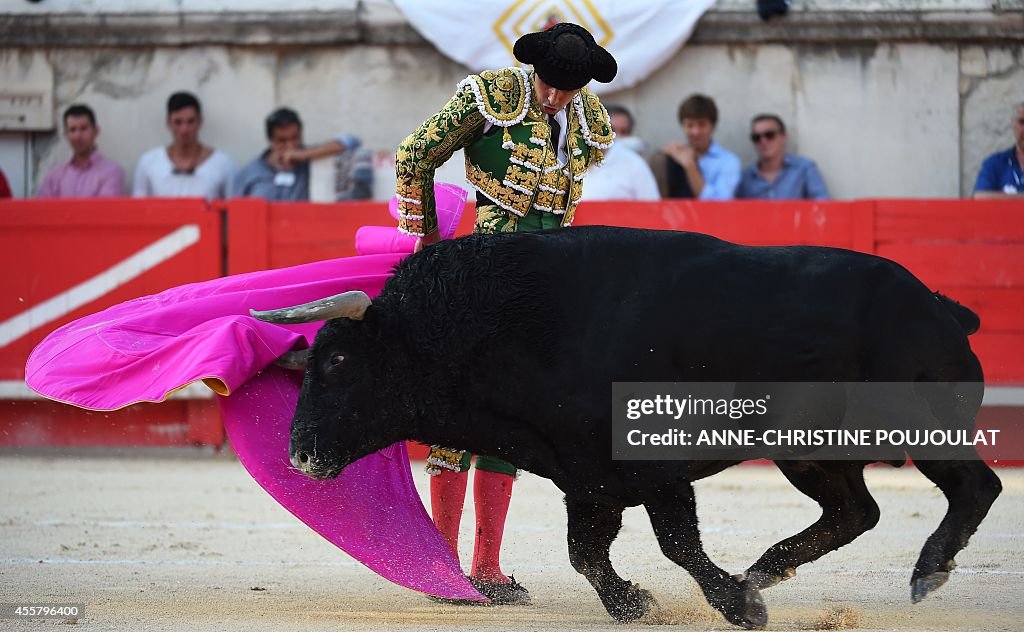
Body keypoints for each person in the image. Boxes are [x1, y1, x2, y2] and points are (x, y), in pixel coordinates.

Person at [394, 21, 617, 604]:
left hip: (545, 289)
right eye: (549, 83)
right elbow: (417, 153)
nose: (555, 97)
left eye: (568, 88)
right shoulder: (490, 97)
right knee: (457, 417)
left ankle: (487, 567)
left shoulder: (588, 118)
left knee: (510, 423)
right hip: (482, 277)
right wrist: (429, 241)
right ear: (534, 69)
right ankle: (443, 563)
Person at [230, 107, 363, 201]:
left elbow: (351, 142)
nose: (290, 145)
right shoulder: (249, 173)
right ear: (270, 141)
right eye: (282, 141)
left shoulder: (311, 157)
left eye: (295, 138)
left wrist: (303, 155)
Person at [132, 92, 236, 199]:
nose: (184, 129)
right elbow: (138, 210)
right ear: (168, 123)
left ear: (200, 122)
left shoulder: (223, 164)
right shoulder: (149, 162)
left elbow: (232, 210)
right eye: (178, 122)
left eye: (190, 121)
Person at [650, 93, 740, 200]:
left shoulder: (728, 161)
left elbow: (718, 204)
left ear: (712, 126)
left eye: (702, 125)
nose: (696, 132)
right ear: (682, 126)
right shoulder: (674, 156)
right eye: (690, 125)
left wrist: (690, 166)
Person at [37, 104, 125, 198]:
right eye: (72, 130)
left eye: (83, 129)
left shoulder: (111, 172)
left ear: (95, 132)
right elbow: (43, 211)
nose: (78, 136)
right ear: (66, 135)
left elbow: (105, 211)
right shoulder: (54, 176)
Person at [735, 114, 829, 200]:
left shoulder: (804, 169)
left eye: (769, 135)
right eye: (756, 137)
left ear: (784, 137)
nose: (763, 141)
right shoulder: (745, 178)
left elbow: (823, 207)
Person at [582, 105, 659, 200]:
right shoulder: (563, 159)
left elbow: (652, 208)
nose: (616, 136)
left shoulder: (634, 164)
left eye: (624, 131)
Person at [973, 102, 1024, 198]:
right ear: (1013, 125)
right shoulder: (995, 163)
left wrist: (1003, 198)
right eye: (1022, 122)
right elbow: (980, 197)